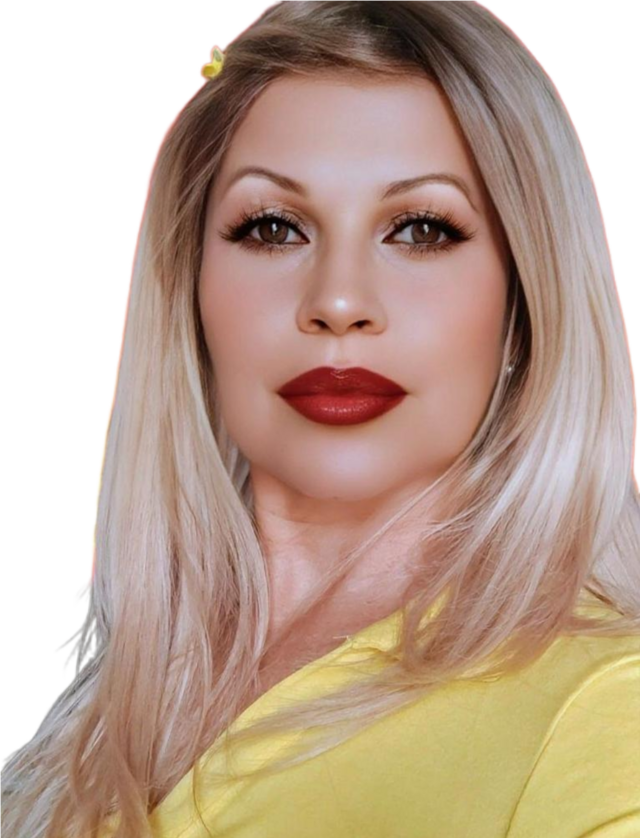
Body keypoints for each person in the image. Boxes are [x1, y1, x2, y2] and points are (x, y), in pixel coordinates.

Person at [1, 1, 638, 836]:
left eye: (421, 229)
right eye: (273, 228)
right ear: (189, 291)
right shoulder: (83, 737)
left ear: (524, 306)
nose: (338, 301)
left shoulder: (606, 710)